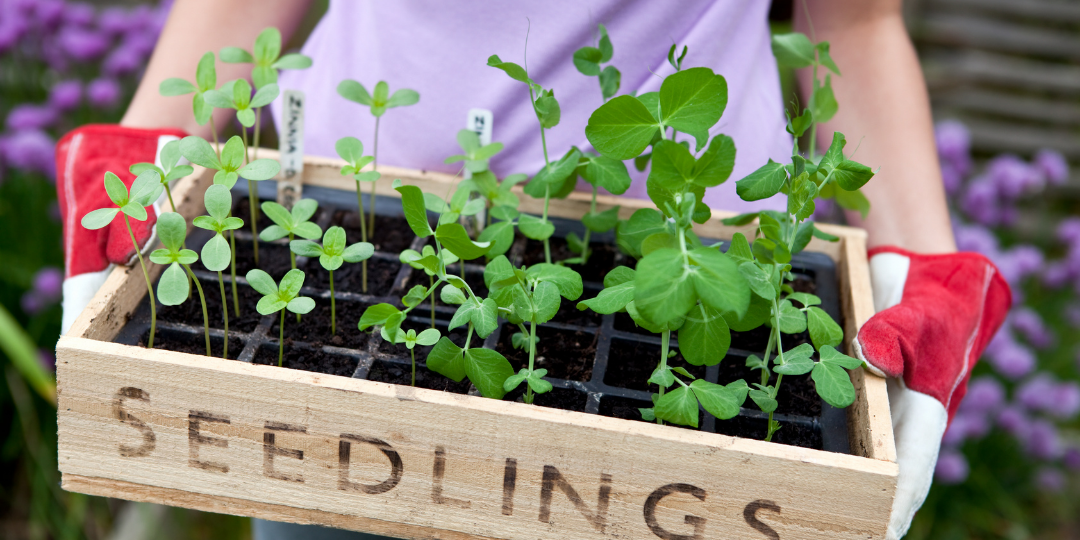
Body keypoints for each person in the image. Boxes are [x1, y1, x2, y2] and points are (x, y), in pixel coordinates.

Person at [54, 1, 1009, 539]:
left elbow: (855, 20)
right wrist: (146, 151)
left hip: (706, 269)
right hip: (345, 254)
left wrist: (925, 267)